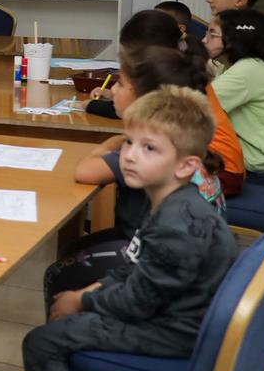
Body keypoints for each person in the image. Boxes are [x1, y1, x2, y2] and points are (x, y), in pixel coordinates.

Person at [23, 86, 237, 371]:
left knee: (41, 342)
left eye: (149, 148)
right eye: (128, 142)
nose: (130, 156)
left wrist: (82, 300)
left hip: (174, 332)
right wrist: (87, 294)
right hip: (169, 314)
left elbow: (138, 302)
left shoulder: (176, 225)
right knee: (67, 310)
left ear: (186, 166)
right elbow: (133, 267)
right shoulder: (170, 203)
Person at [48, 44, 240, 307]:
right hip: (186, 261)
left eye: (120, 84)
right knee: (75, 252)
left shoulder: (148, 157)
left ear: (144, 98)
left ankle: (75, 318)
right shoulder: (177, 142)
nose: (113, 90)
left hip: (165, 265)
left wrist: (114, 143)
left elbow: (85, 171)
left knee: (61, 272)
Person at [207, 9, 264, 176]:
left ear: (234, 39)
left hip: (259, 165)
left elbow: (197, 104)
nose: (204, 40)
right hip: (263, 159)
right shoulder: (246, 66)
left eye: (212, 35)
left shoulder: (247, 71)